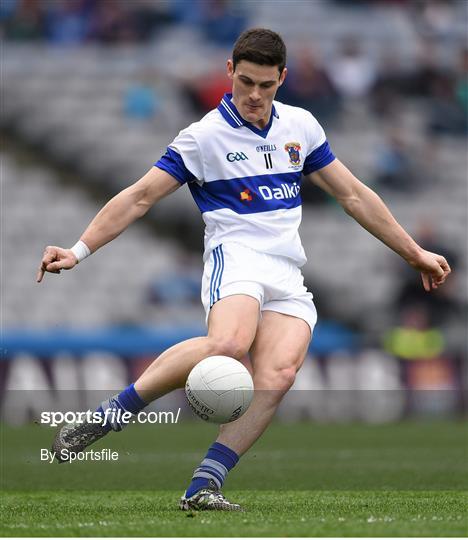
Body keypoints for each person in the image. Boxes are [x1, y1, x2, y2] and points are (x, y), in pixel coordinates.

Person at [36, 28, 451, 511]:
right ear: (230, 72)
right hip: (235, 258)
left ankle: (203, 486)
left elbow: (353, 195)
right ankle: (112, 414)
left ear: (283, 80)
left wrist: (412, 251)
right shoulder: (203, 137)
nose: (254, 95)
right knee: (229, 346)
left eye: (266, 85)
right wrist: (79, 249)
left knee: (278, 375)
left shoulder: (301, 126)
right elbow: (140, 196)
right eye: (246, 82)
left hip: (287, 271)